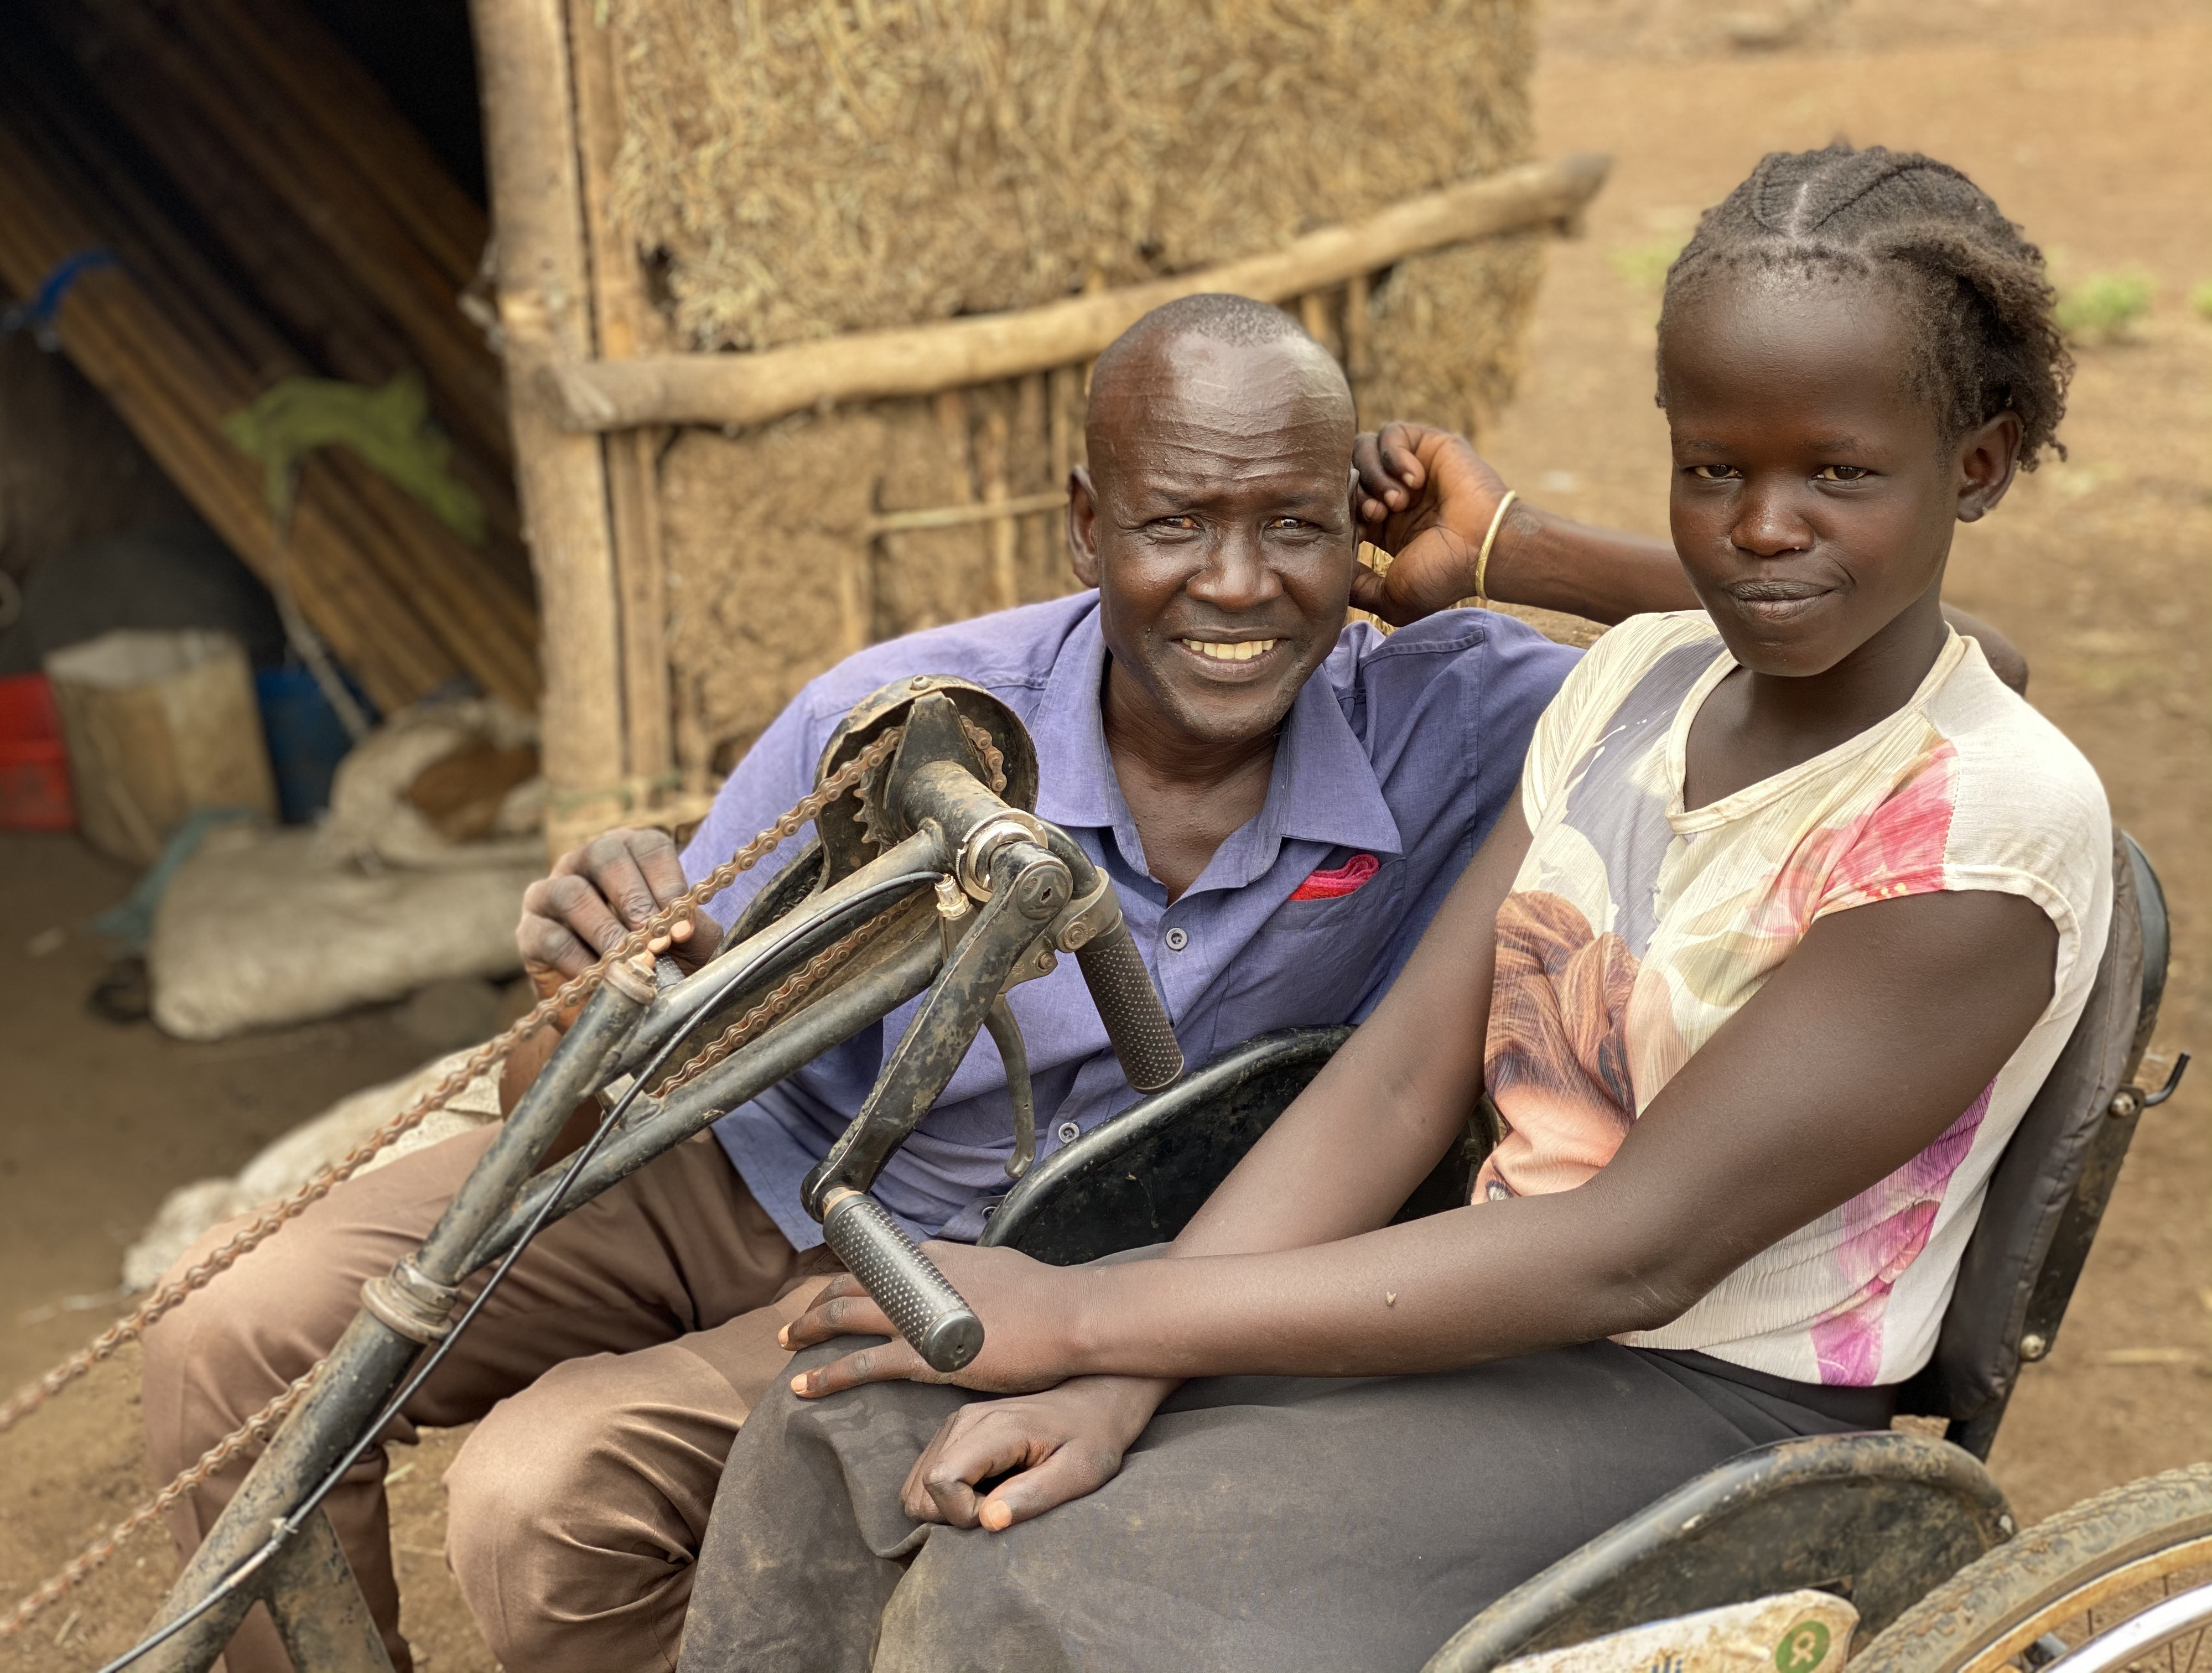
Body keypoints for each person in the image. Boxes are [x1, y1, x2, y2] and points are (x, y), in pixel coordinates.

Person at [142, 291, 2017, 1672]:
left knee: (542, 1499)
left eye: (1294, 526)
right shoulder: (915, 716)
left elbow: (1880, 644)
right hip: (738, 1157)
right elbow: (655, 1007)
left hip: (999, 1252)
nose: (1236, 587)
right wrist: (604, 943)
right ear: (1081, 528)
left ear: (1356, 539)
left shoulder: (1478, 716)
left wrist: (1510, 551)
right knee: (238, 1332)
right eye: (1173, 524)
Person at [676, 146, 2109, 1673]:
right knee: (856, 1417)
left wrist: (1103, 1325)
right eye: (1712, 468)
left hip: (1696, 1398)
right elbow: (1397, 1080)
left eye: (1837, 473)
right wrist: (1120, 1369)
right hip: (1483, 1308)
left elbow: (1632, 1255)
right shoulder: (1638, 690)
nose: (1762, 527)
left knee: (1036, 1584)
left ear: (1978, 461)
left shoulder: (1980, 835)